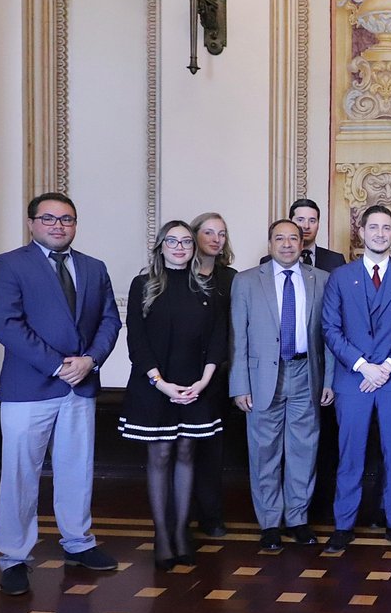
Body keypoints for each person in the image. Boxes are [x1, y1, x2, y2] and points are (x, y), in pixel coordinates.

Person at [0, 192, 122, 596]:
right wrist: (58, 364)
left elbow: (111, 320)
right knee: (20, 476)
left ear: (76, 224)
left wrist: (90, 360)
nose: (58, 225)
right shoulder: (9, 264)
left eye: (66, 219)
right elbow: (4, 323)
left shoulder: (93, 268)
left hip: (80, 386)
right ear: (31, 223)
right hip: (29, 387)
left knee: (77, 470)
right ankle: (14, 557)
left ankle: (79, 543)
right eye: (48, 218)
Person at [118, 221, 226, 569]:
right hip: (155, 386)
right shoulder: (143, 285)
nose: (179, 247)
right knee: (161, 454)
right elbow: (137, 340)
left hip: (197, 387)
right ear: (160, 246)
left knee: (186, 451)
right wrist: (161, 383)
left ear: (194, 247)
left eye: (185, 241)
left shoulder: (207, 288)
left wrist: (204, 381)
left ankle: (181, 532)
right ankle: (162, 535)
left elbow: (218, 339)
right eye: (172, 241)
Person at [323, 205, 391, 553]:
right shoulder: (340, 276)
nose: (380, 234)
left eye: (386, 228)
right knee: (350, 454)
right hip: (353, 380)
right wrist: (361, 365)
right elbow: (330, 329)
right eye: (374, 228)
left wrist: (387, 367)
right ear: (362, 233)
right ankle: (343, 524)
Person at [231, 220, 335, 551]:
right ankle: (270, 523)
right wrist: (239, 384)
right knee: (264, 452)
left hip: (307, 372)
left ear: (303, 243)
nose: (288, 244)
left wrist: (329, 379)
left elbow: (329, 336)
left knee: (304, 449)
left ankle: (298, 519)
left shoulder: (321, 280)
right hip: (263, 378)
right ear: (270, 243)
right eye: (280, 238)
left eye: (294, 238)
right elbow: (238, 337)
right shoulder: (246, 281)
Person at [189, 211, 237, 538]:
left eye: (221, 233)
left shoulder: (231, 278)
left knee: (212, 450)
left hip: (218, 376)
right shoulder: (175, 275)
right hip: (180, 375)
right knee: (180, 449)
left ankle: (210, 514)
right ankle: (180, 515)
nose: (216, 239)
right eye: (209, 232)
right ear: (194, 237)